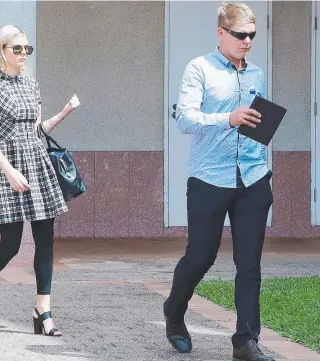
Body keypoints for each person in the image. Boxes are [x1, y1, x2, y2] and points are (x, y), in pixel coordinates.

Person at [163, 4, 274, 361]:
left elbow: (256, 122)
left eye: (252, 36)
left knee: (249, 264)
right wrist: (228, 118)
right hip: (210, 178)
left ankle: (245, 342)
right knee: (201, 257)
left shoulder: (256, 73)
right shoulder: (200, 68)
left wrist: (262, 125)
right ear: (221, 32)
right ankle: (175, 310)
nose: (247, 42)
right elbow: (186, 119)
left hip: (254, 178)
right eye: (240, 35)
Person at [0, 24, 79, 336]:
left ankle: (44, 308)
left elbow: (36, 131)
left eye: (28, 49)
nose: (24, 54)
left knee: (45, 238)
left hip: (37, 164)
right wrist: (10, 171)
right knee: (10, 244)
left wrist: (65, 112)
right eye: (18, 49)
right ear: (2, 51)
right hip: (5, 167)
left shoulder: (32, 85)